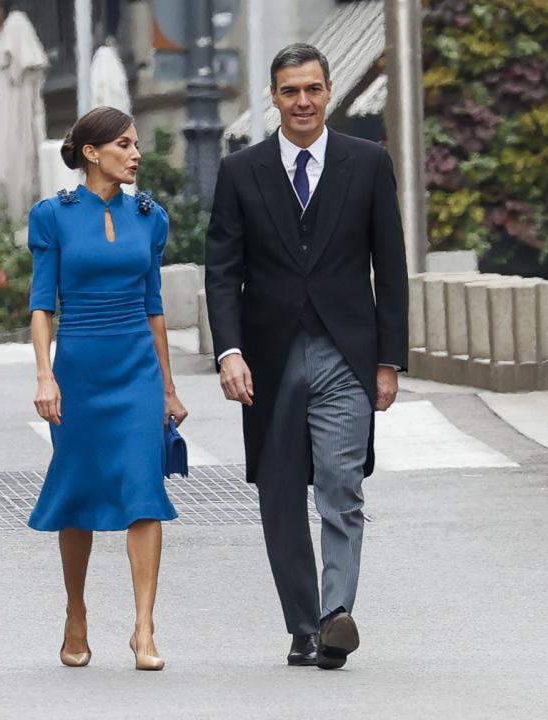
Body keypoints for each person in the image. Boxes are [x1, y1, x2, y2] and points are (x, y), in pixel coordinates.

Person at [204, 43, 408, 670]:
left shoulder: (367, 163)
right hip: (268, 360)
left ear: (328, 92)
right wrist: (229, 352)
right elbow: (222, 271)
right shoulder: (243, 171)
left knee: (342, 486)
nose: (302, 102)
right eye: (290, 91)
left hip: (347, 354)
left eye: (313, 89)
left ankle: (335, 613)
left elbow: (391, 267)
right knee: (281, 495)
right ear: (273, 97)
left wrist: (388, 360)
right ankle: (303, 625)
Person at [25, 106, 185, 672]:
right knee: (80, 492)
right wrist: (45, 375)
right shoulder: (54, 216)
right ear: (92, 153)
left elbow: (154, 308)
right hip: (79, 371)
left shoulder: (150, 216)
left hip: (137, 369)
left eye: (136, 144)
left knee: (144, 489)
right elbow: (43, 304)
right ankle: (76, 613)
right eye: (124, 144)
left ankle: (144, 628)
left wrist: (167, 388)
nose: (136, 153)